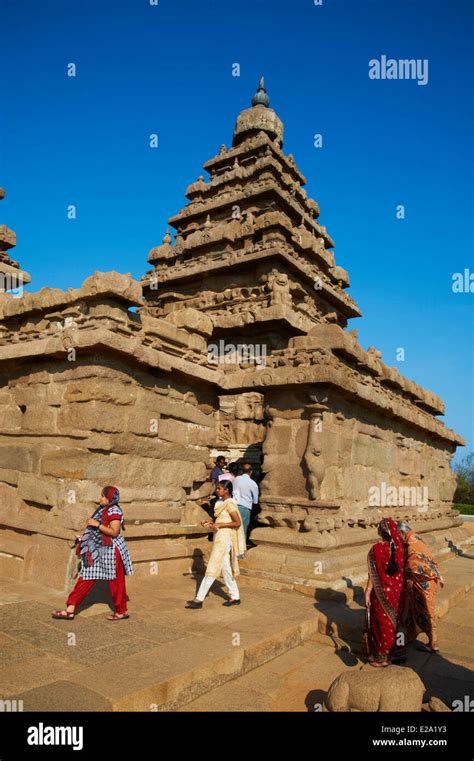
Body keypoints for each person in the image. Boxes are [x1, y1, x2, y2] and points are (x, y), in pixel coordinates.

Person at [52, 485, 133, 621]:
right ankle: (70, 609)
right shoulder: (102, 509)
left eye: (102, 496)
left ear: (109, 499)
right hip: (96, 549)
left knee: (115, 581)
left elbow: (114, 532)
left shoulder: (114, 511)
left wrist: (97, 525)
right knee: (86, 577)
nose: (100, 498)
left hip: (112, 551)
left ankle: (121, 611)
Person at [186, 480, 246, 609]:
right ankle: (235, 596)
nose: (217, 490)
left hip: (225, 539)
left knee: (213, 565)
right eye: (217, 488)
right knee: (225, 568)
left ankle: (199, 598)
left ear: (226, 490)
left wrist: (220, 524)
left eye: (219, 488)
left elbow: (237, 522)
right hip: (220, 537)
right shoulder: (220, 503)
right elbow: (221, 520)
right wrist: (211, 522)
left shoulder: (230, 504)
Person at [397, 520, 444, 653]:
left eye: (397, 535)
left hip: (424, 582)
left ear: (402, 532)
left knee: (426, 611)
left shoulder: (412, 544)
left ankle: (433, 643)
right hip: (424, 581)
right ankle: (411, 635)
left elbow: (414, 565)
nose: (397, 538)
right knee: (414, 610)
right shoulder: (415, 538)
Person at [363, 517, 404, 667]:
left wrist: (368, 591)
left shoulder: (376, 549)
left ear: (381, 531)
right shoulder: (399, 548)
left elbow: (372, 574)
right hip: (396, 592)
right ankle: (397, 652)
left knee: (382, 624)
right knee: (394, 622)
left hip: (381, 594)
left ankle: (382, 658)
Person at [232, 463, 259, 540]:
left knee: (233, 529)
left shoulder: (236, 479)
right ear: (251, 471)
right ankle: (241, 549)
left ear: (242, 470)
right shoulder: (253, 484)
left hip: (233, 506)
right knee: (242, 530)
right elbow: (255, 501)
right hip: (245, 508)